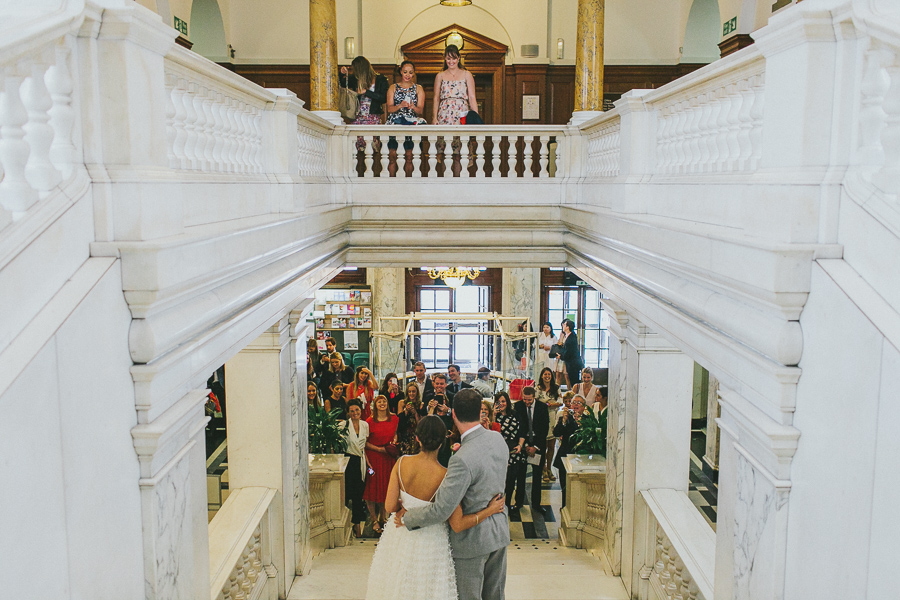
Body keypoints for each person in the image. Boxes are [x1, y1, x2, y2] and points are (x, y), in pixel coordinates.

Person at [366, 415, 506, 600]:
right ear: (442, 441)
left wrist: (404, 506)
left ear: (417, 438)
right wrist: (490, 510)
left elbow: (390, 505)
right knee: (428, 588)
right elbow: (456, 521)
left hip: (399, 535)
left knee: (396, 583)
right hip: (431, 540)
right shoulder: (445, 475)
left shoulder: (401, 464)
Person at [396, 390, 511, 600]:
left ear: (454, 414)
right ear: (480, 412)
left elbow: (441, 510)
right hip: (498, 532)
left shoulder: (461, 458)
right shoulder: (497, 439)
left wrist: (407, 517)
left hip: (472, 541)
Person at [364, 395, 399, 534]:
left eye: (384, 401)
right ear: (375, 405)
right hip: (373, 459)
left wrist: (393, 443)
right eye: (379, 401)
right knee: (372, 487)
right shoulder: (369, 421)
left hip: (388, 458)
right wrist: (379, 449)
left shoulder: (394, 419)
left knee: (386, 487)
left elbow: (395, 434)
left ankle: (383, 517)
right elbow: (364, 442)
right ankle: (373, 518)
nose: (382, 403)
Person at [513, 386, 550, 514]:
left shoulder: (542, 407)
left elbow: (545, 429)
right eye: (525, 399)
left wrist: (535, 447)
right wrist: (524, 445)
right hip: (523, 444)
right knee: (521, 475)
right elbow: (518, 427)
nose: (527, 402)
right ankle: (518, 502)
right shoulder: (518, 406)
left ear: (534, 397)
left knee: (537, 475)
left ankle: (536, 504)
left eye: (529, 400)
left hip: (538, 444)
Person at [552, 395, 587, 509]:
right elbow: (556, 433)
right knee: (565, 487)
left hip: (580, 458)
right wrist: (563, 421)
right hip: (565, 457)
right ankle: (564, 508)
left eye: (579, 403)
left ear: (584, 407)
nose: (576, 404)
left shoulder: (587, 420)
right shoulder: (565, 418)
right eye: (574, 402)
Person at [492, 391, 525, 511]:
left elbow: (522, 431)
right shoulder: (494, 416)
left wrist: (520, 445)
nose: (501, 404)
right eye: (499, 401)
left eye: (503, 401)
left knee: (512, 481)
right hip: (499, 452)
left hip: (514, 451)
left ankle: (509, 505)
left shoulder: (515, 415)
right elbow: (491, 430)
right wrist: (494, 414)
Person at [343, 399, 370, 537]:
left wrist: (369, 464)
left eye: (357, 410)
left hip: (361, 462)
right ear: (348, 412)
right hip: (348, 462)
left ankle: (357, 525)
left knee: (360, 495)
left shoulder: (365, 425)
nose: (355, 413)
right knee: (348, 494)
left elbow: (365, 446)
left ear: (361, 411)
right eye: (352, 411)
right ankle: (345, 525)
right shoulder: (344, 425)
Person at [433, 45, 478, 125]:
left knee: (462, 136)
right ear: (445, 59)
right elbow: (436, 98)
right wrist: (434, 117)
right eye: (448, 58)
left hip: (462, 112)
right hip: (444, 112)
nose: (451, 62)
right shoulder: (440, 76)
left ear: (458, 58)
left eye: (454, 58)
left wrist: (476, 117)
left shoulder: (466, 74)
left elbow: (472, 97)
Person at [340, 56, 389, 126]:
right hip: (357, 115)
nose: (355, 72)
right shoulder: (355, 79)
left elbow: (384, 98)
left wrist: (366, 92)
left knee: (371, 136)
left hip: (373, 116)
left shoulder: (380, 79)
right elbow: (341, 83)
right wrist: (341, 73)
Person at [535, 366, 562, 482]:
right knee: (543, 446)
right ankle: (543, 468)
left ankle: (549, 468)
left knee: (551, 446)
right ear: (542, 376)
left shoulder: (556, 388)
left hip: (553, 418)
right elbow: (535, 401)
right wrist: (545, 405)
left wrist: (552, 404)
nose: (547, 376)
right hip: (542, 419)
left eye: (549, 374)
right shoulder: (538, 388)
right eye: (545, 374)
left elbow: (560, 401)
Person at [386, 61, 425, 126]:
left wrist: (413, 107)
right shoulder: (393, 87)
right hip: (395, 120)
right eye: (405, 72)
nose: (407, 75)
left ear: (413, 73)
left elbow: (420, 111)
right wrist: (400, 106)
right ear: (401, 72)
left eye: (410, 73)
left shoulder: (418, 88)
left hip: (411, 120)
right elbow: (389, 109)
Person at [559, 319, 584, 389]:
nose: (563, 326)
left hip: (573, 364)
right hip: (571, 363)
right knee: (573, 381)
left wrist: (561, 356)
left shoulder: (571, 338)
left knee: (575, 382)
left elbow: (569, 352)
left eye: (564, 325)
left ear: (567, 327)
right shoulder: (569, 336)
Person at [396, 392, 421, 456]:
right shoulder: (401, 403)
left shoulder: (420, 404)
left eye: (413, 391)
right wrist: (406, 411)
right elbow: (400, 423)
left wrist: (415, 413)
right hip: (404, 438)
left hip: (416, 437)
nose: (411, 393)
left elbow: (420, 424)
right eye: (409, 391)